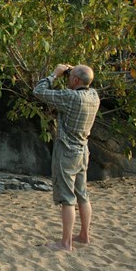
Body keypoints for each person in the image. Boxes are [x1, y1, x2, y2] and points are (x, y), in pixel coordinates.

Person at [33, 64, 100, 251]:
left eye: (71, 77)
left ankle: (66, 242)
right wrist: (72, 75)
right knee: (82, 195)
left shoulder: (70, 98)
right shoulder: (94, 96)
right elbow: (81, 83)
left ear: (76, 80)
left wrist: (55, 74)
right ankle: (84, 235)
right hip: (83, 150)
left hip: (66, 153)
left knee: (67, 198)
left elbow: (38, 91)